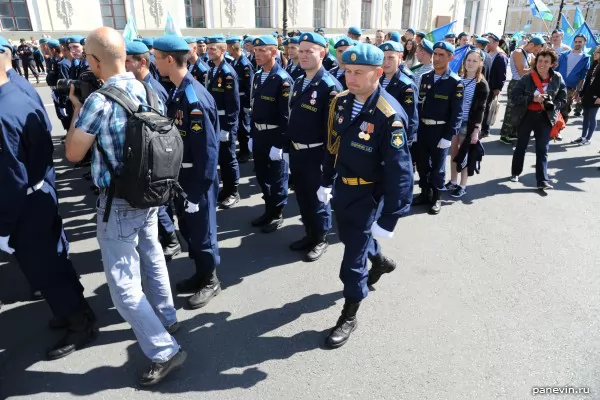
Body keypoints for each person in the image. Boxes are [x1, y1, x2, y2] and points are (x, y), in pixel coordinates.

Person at [65, 27, 186, 386]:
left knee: (123, 286)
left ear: (93, 60)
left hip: (119, 203)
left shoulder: (98, 102)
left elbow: (73, 153)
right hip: (150, 194)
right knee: (152, 255)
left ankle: (164, 350)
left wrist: (76, 109)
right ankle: (166, 314)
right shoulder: (149, 89)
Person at [0, 43, 97, 361]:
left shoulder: (4, 108)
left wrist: (4, 224)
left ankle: (79, 321)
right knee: (54, 260)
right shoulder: (17, 85)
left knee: (43, 267)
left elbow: (12, 176)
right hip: (40, 191)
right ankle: (72, 307)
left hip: (25, 203)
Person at [321, 44, 413, 348]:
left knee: (351, 258)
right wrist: (326, 180)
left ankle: (349, 313)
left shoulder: (390, 115)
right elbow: (332, 145)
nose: (351, 78)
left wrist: (390, 217)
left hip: (368, 195)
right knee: (350, 239)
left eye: (358, 72)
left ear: (377, 72)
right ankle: (380, 261)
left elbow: (400, 171)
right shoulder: (342, 102)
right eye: (348, 71)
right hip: (343, 189)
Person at [285, 32, 342, 262]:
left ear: (323, 52)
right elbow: (293, 117)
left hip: (317, 153)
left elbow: (334, 132)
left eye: (310, 51)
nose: (304, 55)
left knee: (318, 200)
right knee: (303, 197)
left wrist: (329, 164)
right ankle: (309, 234)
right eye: (302, 50)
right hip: (298, 151)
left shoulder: (330, 86)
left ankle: (320, 238)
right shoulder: (299, 80)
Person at [124, 40, 182, 260]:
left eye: (128, 61)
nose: (125, 66)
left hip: (157, 154)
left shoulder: (152, 88)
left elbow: (163, 128)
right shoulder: (139, 85)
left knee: (159, 201)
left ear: (143, 62)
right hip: (146, 153)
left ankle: (171, 239)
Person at [248, 35, 293, 233]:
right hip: (259, 135)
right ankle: (268, 209)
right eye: (256, 50)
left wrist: (281, 144)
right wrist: (251, 134)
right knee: (261, 175)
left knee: (277, 178)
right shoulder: (258, 76)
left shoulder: (282, 79)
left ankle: (277, 213)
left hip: (274, 136)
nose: (256, 54)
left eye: (261, 50)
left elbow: (287, 117)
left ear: (273, 52)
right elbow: (254, 107)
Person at [414, 41, 464, 215]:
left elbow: (457, 113)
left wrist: (448, 136)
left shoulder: (455, 82)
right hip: (423, 129)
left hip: (440, 131)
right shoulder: (425, 77)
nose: (436, 58)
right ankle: (424, 193)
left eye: (441, 55)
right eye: (435, 54)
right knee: (421, 164)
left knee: (438, 168)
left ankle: (436, 197)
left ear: (450, 57)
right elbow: (418, 105)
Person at [510, 49, 567, 190]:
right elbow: (514, 96)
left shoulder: (557, 78)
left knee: (542, 149)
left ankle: (542, 180)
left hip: (545, 117)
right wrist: (532, 98)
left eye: (546, 61)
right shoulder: (527, 78)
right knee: (521, 146)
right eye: (540, 61)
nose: (542, 64)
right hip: (526, 115)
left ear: (552, 64)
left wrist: (553, 105)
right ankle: (515, 172)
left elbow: (563, 98)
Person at [205, 35, 241, 209]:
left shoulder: (227, 73)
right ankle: (225, 190)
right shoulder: (213, 69)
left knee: (228, 158)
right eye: (208, 48)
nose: (209, 51)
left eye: (213, 48)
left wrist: (227, 127)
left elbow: (233, 103)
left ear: (223, 50)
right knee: (221, 158)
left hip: (225, 121)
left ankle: (233, 191)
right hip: (215, 120)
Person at [446, 49, 489, 198]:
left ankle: (462, 185)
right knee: (453, 153)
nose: (470, 63)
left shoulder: (481, 84)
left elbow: (481, 109)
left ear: (480, 64)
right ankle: (452, 180)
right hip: (455, 122)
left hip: (468, 124)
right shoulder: (458, 79)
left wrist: (476, 129)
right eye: (468, 60)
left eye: (474, 61)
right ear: (464, 62)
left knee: (464, 155)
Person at [498, 36, 545, 144]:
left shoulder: (529, 54)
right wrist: (536, 68)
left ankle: (512, 133)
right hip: (516, 84)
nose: (536, 52)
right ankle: (505, 134)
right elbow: (521, 71)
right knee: (511, 110)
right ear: (532, 45)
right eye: (536, 49)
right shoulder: (519, 52)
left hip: (524, 85)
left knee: (520, 111)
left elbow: (536, 61)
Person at [379, 41, 419, 145]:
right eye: (383, 58)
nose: (386, 62)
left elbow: (411, 119)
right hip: (378, 136)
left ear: (400, 58)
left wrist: (405, 143)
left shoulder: (406, 85)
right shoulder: (377, 81)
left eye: (391, 58)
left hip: (396, 138)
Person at [227, 36, 255, 163]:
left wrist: (248, 104)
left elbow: (249, 86)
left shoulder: (245, 64)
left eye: (228, 47)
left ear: (233, 47)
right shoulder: (235, 62)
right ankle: (243, 150)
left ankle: (246, 152)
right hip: (237, 99)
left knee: (244, 127)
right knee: (239, 128)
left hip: (243, 99)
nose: (227, 50)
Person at [555, 34, 590, 123]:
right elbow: (556, 69)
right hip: (557, 85)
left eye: (580, 42)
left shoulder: (586, 58)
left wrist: (578, 91)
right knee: (552, 106)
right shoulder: (564, 55)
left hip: (570, 88)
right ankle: (549, 128)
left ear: (584, 43)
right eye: (576, 41)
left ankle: (559, 129)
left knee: (565, 109)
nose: (577, 43)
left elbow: (583, 76)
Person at [480, 33, 508, 138]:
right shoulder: (487, 52)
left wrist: (498, 88)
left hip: (492, 87)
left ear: (496, 43)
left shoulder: (501, 56)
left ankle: (485, 129)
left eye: (489, 42)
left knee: (488, 108)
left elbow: (502, 75)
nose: (487, 44)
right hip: (484, 85)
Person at [572, 46, 600, 145]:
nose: (594, 54)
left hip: (596, 97)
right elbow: (587, 82)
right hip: (588, 95)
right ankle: (583, 136)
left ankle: (588, 138)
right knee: (586, 116)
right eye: (595, 52)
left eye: (597, 52)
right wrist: (581, 94)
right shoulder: (594, 65)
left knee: (592, 117)